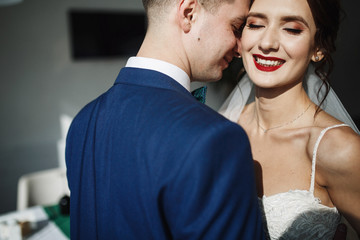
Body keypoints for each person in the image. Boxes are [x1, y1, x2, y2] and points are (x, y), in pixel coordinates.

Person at [65, 0, 265, 239]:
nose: (241, 48)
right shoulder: (217, 138)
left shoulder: (83, 121)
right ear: (189, 13)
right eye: (236, 27)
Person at [219, 0, 360, 239]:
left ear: (319, 48)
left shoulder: (338, 149)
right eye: (255, 25)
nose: (267, 43)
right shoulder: (221, 128)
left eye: (292, 29)